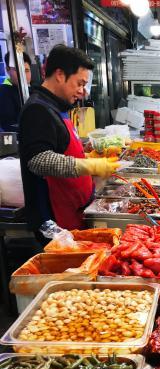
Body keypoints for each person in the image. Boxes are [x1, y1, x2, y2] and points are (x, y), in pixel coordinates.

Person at [19, 44, 119, 240]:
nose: (83, 92)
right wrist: (90, 165)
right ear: (59, 74)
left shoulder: (56, 107)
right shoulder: (37, 110)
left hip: (74, 211)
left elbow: (62, 149)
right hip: (55, 222)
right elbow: (39, 161)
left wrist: (90, 155)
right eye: (79, 83)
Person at [0, 51, 32, 132]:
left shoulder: (34, 90)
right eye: (17, 70)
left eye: (26, 70)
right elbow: (8, 125)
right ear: (7, 70)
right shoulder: (3, 93)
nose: (23, 75)